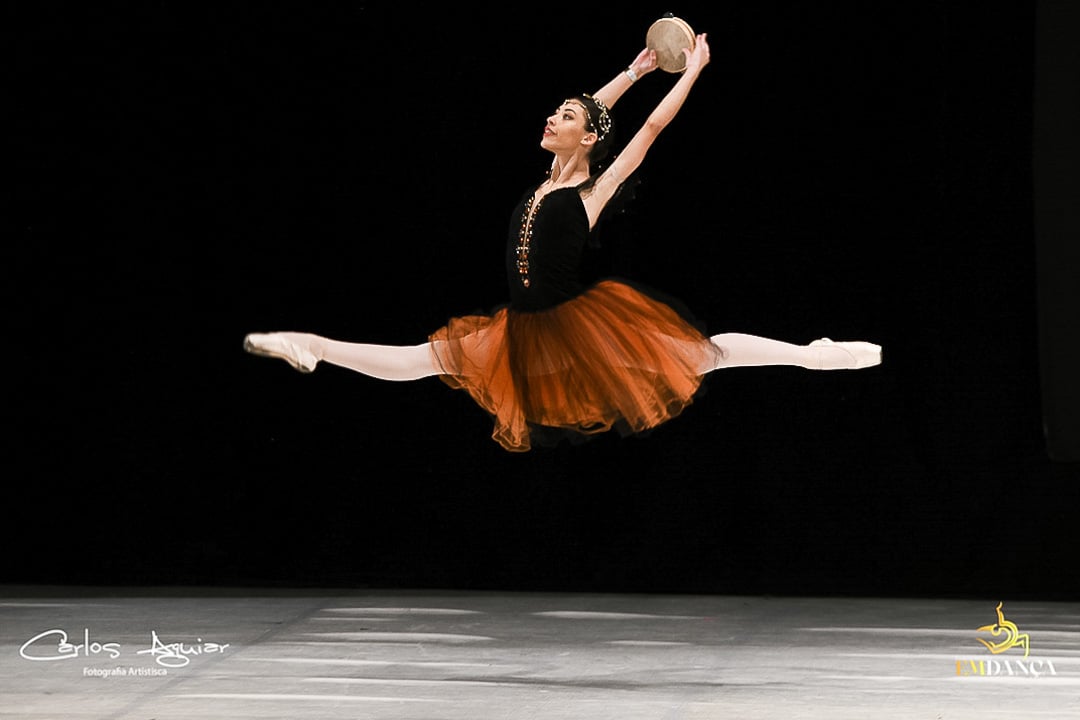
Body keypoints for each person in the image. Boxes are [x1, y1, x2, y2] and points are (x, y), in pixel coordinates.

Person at [244, 32, 881, 452]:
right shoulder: (547, 182)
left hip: (577, 325)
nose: (554, 117)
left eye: (566, 117)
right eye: (558, 110)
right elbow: (592, 109)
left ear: (587, 141)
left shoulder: (590, 194)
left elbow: (652, 129)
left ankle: (811, 355)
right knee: (423, 360)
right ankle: (314, 346)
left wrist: (689, 74)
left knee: (704, 354)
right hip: (521, 328)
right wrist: (631, 73)